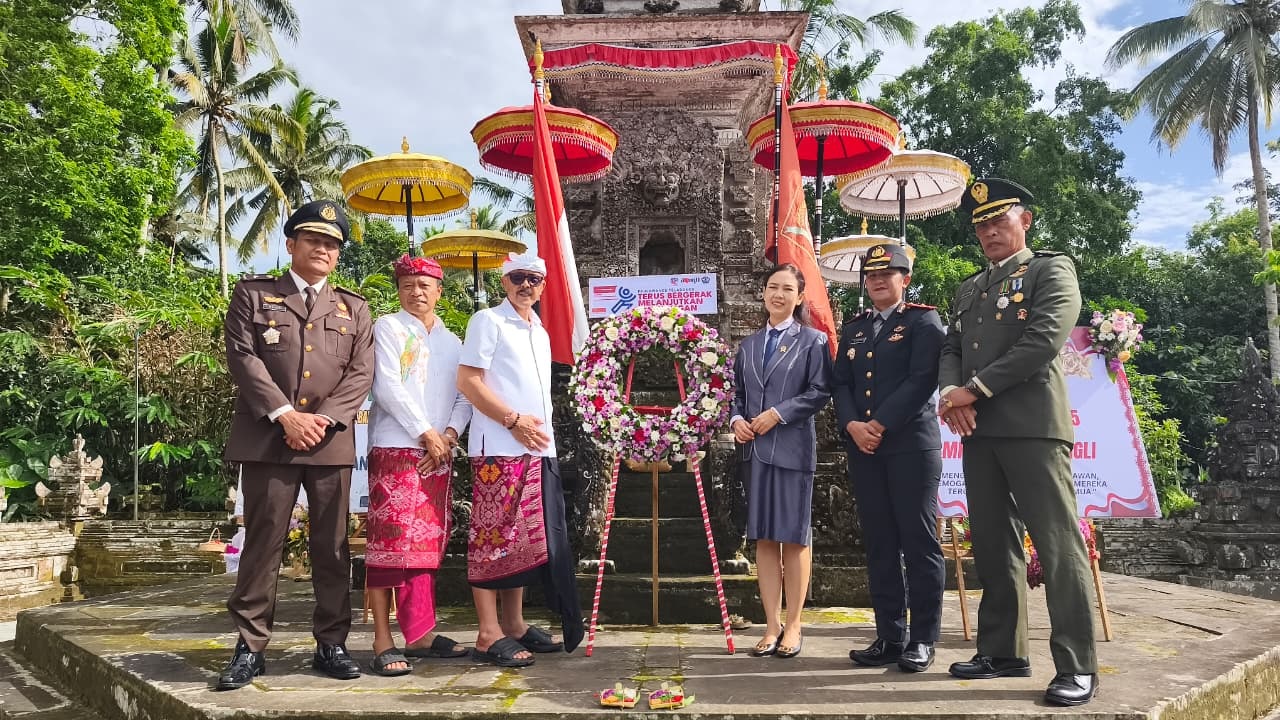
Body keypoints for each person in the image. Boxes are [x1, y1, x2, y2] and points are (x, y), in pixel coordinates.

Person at [939, 178, 1097, 706]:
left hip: (1032, 426)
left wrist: (972, 391)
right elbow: (952, 347)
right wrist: (950, 394)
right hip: (978, 430)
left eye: (998, 221)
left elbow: (1042, 340)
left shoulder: (1051, 270)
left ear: (1024, 221)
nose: (989, 231)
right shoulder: (969, 288)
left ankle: (1077, 664)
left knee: (1057, 545)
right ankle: (1002, 651)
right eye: (981, 225)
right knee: (991, 543)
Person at [219, 200, 374, 690]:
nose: (323, 249)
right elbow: (243, 357)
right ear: (291, 244)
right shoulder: (254, 294)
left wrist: (321, 420)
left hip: (329, 442)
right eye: (313, 240)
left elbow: (360, 373)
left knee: (332, 546)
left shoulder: (354, 308)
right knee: (262, 543)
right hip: (269, 438)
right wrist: (285, 415)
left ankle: (332, 643)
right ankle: (250, 646)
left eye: (332, 244)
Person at [455, 253, 584, 668]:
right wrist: (511, 420)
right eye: (517, 278)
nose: (525, 285)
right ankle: (487, 631)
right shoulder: (487, 321)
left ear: (543, 286)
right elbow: (468, 381)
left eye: (533, 279)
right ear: (504, 282)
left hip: (537, 448)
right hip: (500, 447)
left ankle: (513, 622)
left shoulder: (539, 330)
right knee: (492, 537)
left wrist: (533, 433)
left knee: (523, 541)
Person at [833, 243, 946, 673]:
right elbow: (840, 383)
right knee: (880, 542)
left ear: (905, 279)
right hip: (864, 448)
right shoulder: (855, 327)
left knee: (918, 542)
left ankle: (923, 638)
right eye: (872, 275)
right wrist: (852, 425)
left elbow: (923, 379)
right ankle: (890, 635)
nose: (878, 281)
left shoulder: (922, 321)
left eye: (887, 274)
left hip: (909, 445)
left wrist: (878, 424)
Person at [363, 254, 473, 676]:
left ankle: (421, 633)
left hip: (439, 452)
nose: (416, 292)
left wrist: (449, 435)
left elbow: (464, 395)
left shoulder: (454, 342)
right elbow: (386, 385)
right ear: (399, 290)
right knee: (388, 547)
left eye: (424, 285)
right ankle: (382, 638)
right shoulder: (388, 327)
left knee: (426, 547)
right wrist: (425, 432)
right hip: (396, 448)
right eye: (408, 285)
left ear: (439, 291)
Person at [730, 264, 832, 660]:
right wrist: (737, 420)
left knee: (794, 536)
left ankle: (794, 624)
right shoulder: (748, 345)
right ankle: (771, 625)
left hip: (791, 449)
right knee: (764, 538)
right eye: (772, 287)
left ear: (799, 296)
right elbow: (736, 394)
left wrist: (779, 413)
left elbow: (820, 391)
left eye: (787, 289)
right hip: (754, 452)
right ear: (763, 292)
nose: (778, 294)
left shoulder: (813, 341)